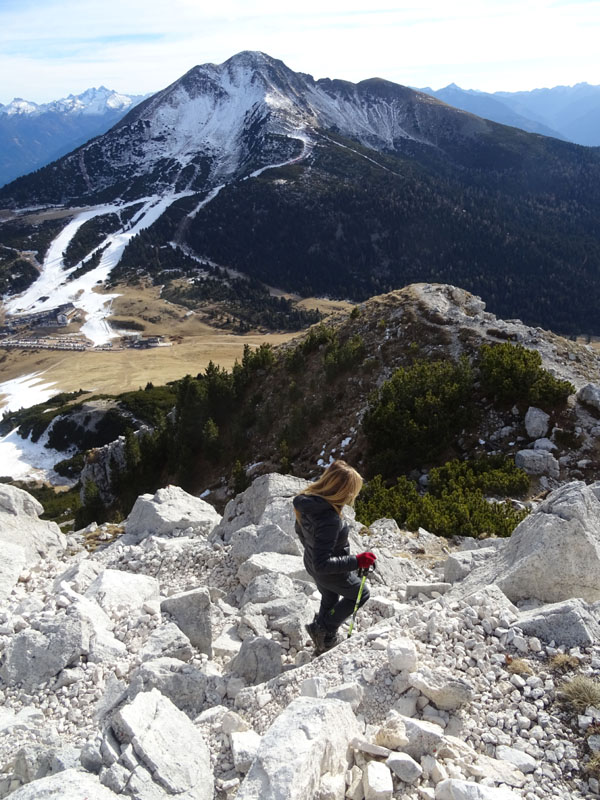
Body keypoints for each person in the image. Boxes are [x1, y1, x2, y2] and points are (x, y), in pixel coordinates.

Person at [293, 460, 376, 654]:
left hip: (310, 563)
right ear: (342, 490)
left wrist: (314, 552)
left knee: (330, 595)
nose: (352, 496)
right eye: (352, 491)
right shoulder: (329, 519)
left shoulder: (307, 503)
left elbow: (300, 532)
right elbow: (324, 564)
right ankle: (324, 630)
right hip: (328, 571)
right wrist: (357, 560)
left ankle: (323, 642)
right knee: (361, 593)